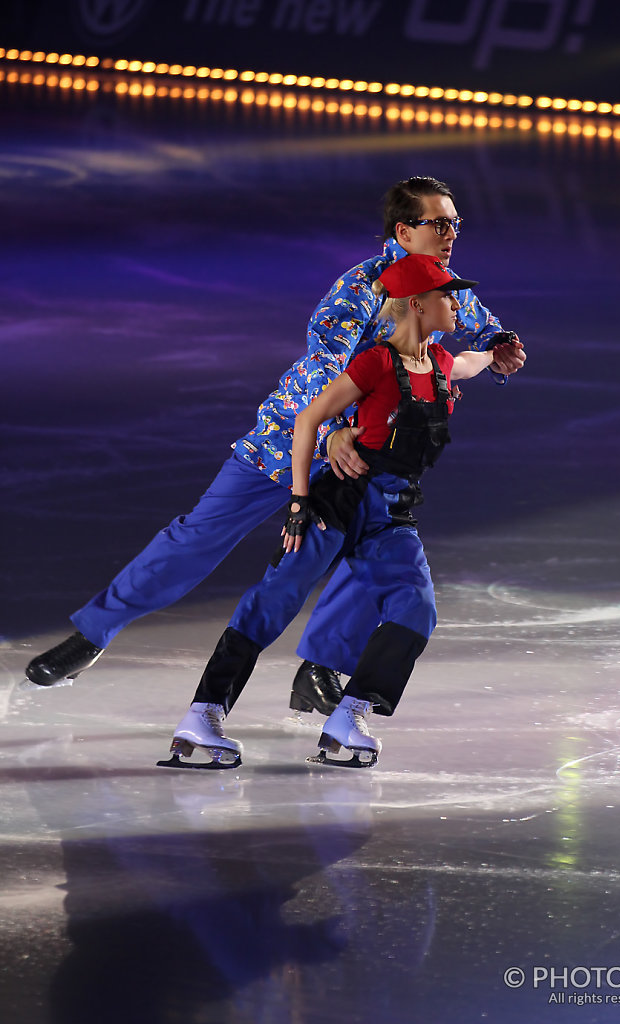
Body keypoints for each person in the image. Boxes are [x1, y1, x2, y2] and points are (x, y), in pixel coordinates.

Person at [25, 177, 525, 715]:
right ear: (404, 231)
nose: (452, 234)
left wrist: (500, 346)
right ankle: (92, 636)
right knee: (194, 538)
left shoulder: (448, 287)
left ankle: (321, 668)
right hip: (287, 438)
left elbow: (481, 327)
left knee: (373, 553)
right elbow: (324, 365)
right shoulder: (359, 288)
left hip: (363, 456)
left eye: (456, 224)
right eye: (440, 224)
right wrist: (331, 428)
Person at [163, 253, 513, 770]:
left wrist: (496, 352)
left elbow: (468, 362)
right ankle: (204, 711)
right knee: (273, 602)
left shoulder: (439, 365)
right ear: (417, 304)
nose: (457, 304)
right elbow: (308, 420)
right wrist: (300, 500)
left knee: (416, 608)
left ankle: (351, 712)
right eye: (447, 295)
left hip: (391, 514)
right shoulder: (373, 363)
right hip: (338, 503)